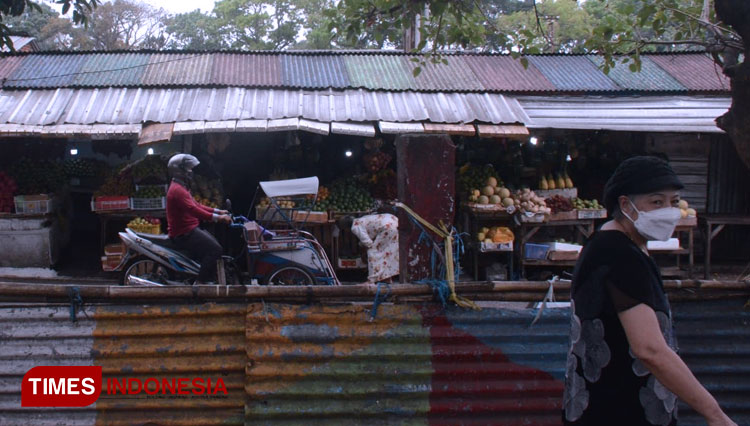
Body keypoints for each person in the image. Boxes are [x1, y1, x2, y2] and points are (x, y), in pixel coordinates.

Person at [563, 156, 736, 426]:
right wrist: (715, 415)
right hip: (621, 412)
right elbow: (650, 349)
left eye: (673, 202)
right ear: (625, 205)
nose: (668, 211)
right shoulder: (621, 255)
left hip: (597, 408)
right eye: (656, 202)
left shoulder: (605, 243)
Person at [166, 153, 231, 284]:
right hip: (184, 233)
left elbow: (195, 204)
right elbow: (194, 210)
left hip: (189, 230)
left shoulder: (181, 187)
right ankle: (200, 283)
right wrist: (218, 218)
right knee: (215, 249)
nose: (191, 172)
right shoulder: (177, 190)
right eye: (188, 169)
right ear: (180, 170)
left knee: (213, 244)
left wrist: (218, 211)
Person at [344, 207, 399, 284]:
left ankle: (371, 280)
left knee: (373, 251)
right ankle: (387, 278)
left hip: (387, 227)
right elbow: (370, 234)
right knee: (388, 252)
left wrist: (365, 254)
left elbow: (368, 242)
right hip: (394, 221)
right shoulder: (362, 219)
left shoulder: (355, 226)